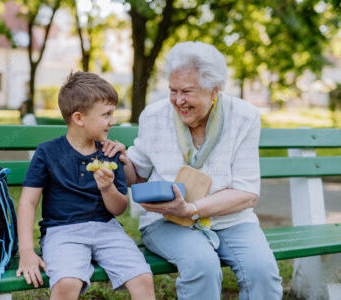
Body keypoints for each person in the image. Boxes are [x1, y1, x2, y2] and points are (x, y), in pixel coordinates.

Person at [103, 41, 283, 299]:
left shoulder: (244, 117)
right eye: (172, 90)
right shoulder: (154, 116)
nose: (178, 101)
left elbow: (246, 193)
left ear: (214, 91)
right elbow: (138, 175)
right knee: (202, 266)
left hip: (231, 219)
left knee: (262, 272)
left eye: (187, 91)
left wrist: (193, 209)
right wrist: (122, 162)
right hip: (166, 221)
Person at [16, 71, 155, 300]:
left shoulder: (109, 153)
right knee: (67, 283)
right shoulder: (47, 153)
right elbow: (28, 203)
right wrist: (27, 251)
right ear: (79, 118)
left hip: (107, 228)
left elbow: (118, 209)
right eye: (106, 114)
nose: (113, 121)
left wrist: (107, 189)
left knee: (143, 278)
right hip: (62, 232)